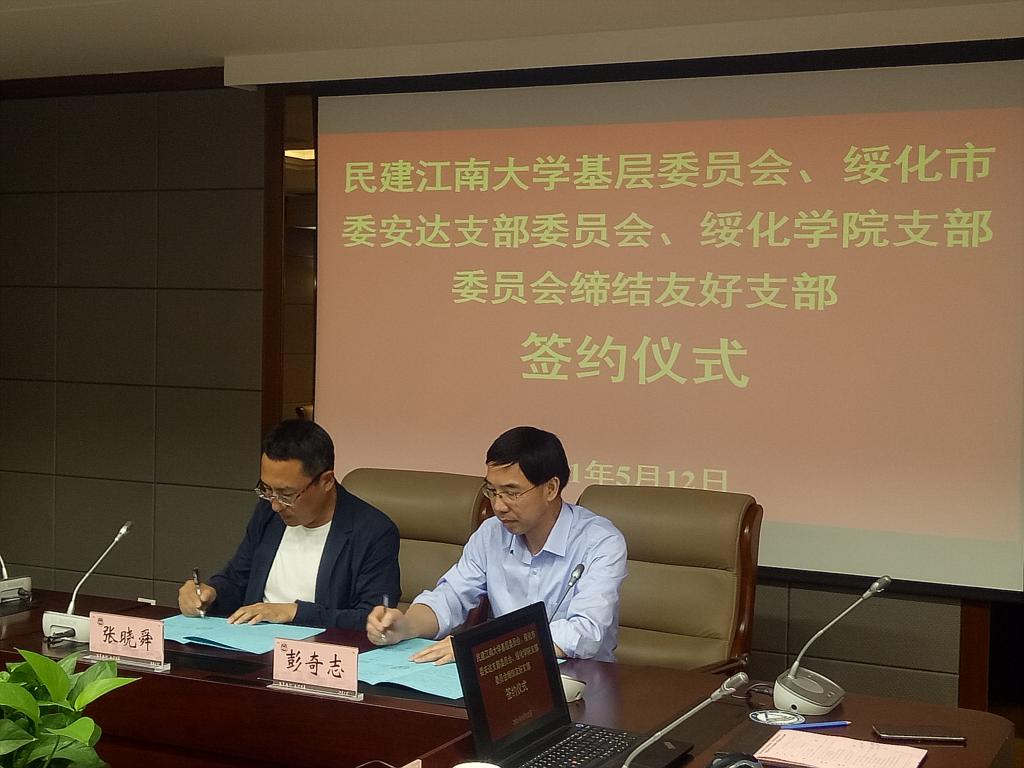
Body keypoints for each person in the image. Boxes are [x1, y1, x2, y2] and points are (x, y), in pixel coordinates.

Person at [366, 425, 626, 663]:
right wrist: (406, 626)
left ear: (551, 488)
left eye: (512, 493)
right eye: (492, 491)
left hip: (582, 676)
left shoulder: (600, 542)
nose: (499, 506)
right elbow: (451, 596)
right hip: (504, 673)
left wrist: (483, 645)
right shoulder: (491, 533)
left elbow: (586, 632)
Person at [178, 419, 400, 630]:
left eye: (287, 494)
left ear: (326, 481)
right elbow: (237, 579)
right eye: (267, 489)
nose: (275, 505)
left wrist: (295, 613)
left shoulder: (373, 531)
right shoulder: (268, 513)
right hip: (252, 641)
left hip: (319, 649)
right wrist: (209, 594)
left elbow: (373, 620)